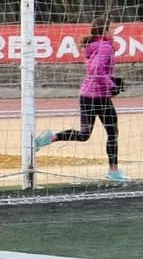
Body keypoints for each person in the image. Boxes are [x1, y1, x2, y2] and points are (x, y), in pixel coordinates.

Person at [34, 24, 127, 183]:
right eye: (110, 29)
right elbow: (97, 70)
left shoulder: (93, 46)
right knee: (112, 133)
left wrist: (110, 80)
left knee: (84, 134)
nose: (113, 32)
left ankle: (51, 138)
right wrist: (111, 86)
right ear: (104, 31)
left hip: (86, 95)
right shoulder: (105, 47)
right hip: (99, 96)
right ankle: (113, 171)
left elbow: (93, 69)